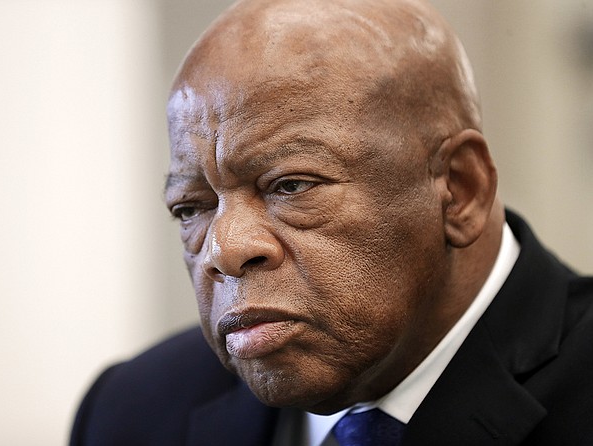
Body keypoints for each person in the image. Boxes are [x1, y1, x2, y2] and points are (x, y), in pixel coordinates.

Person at [70, 0, 593, 444]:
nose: (224, 251)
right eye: (192, 208)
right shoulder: (131, 411)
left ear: (460, 189)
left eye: (291, 186)